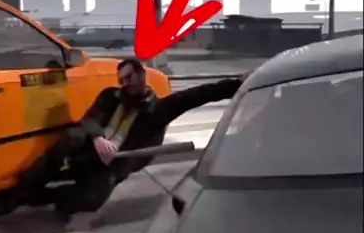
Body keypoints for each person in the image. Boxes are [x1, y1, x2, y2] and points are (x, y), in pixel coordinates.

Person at [17, 58, 244, 221]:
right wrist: (97, 137)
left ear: (141, 75)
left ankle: (49, 198)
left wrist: (240, 84)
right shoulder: (110, 96)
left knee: (91, 201)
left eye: (129, 77)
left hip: (111, 166)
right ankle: (28, 184)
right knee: (72, 135)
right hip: (87, 151)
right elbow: (90, 119)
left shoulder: (158, 110)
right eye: (121, 79)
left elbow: (200, 94)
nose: (124, 83)